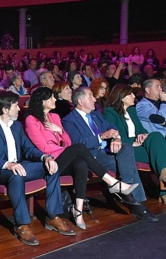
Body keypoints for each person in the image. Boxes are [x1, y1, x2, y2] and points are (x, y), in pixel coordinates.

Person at [25, 88, 139, 229]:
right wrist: (66, 150)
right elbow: (43, 148)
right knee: (79, 148)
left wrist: (59, 131)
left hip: (64, 156)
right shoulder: (31, 120)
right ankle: (113, 183)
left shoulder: (54, 117)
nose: (55, 100)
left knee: (81, 163)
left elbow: (68, 142)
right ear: (42, 101)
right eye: (51, 98)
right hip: (49, 161)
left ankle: (77, 210)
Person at [0, 92, 74, 245]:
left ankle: (53, 216)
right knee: (16, 175)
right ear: (5, 109)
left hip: (19, 165)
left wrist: (46, 157)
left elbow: (28, 148)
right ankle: (22, 225)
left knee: (51, 167)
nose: (19, 109)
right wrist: (8, 164)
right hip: (0, 170)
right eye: (15, 106)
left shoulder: (16, 126)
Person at [62, 87, 158, 222]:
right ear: (80, 101)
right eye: (90, 96)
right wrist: (102, 136)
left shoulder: (96, 115)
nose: (95, 99)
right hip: (91, 156)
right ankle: (139, 207)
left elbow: (112, 128)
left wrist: (117, 138)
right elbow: (77, 143)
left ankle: (127, 192)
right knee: (126, 165)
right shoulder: (69, 120)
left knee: (127, 148)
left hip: (106, 150)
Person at [103, 85, 166, 208]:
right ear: (122, 97)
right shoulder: (110, 112)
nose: (134, 96)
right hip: (125, 149)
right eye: (131, 95)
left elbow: (141, 129)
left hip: (139, 145)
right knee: (160, 154)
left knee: (155, 135)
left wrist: (143, 135)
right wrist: (132, 142)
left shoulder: (132, 111)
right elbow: (114, 133)